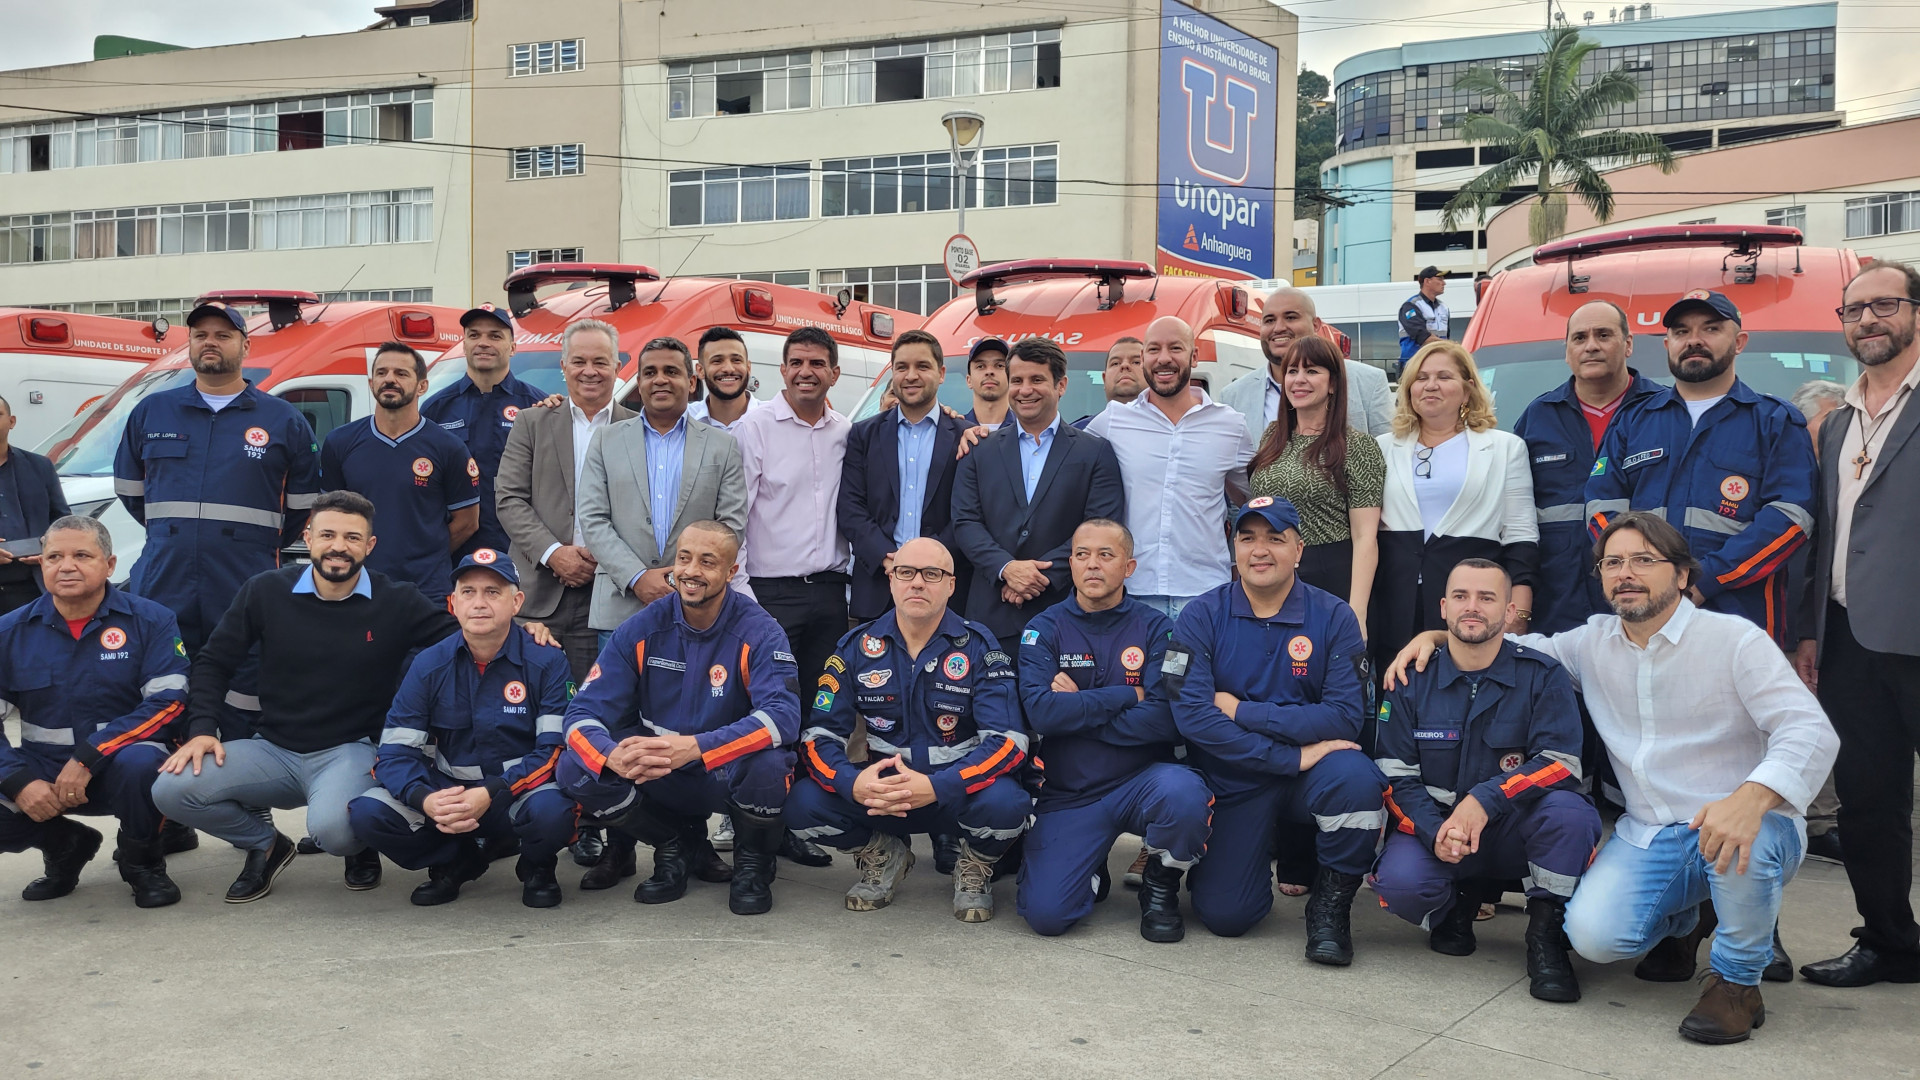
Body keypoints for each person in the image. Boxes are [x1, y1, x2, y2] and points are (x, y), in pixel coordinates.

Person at [1390, 512, 1836, 1044]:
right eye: (1614, 562)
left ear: (1683, 576)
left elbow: (1809, 728)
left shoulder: (1734, 640)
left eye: (1644, 560)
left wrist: (1753, 797)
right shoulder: (1590, 643)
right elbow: (1496, 647)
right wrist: (1435, 634)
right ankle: (1692, 916)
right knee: (1595, 939)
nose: (1626, 572)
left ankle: (1737, 984)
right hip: (1654, 833)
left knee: (1748, 841)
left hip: (1741, 824)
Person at [151, 491, 468, 903]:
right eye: (328, 534)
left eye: (353, 538)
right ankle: (266, 844)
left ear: (370, 546)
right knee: (170, 790)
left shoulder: (397, 600)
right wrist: (202, 729)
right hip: (274, 750)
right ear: (309, 537)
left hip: (351, 750)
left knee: (333, 831)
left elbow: (463, 641)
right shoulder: (265, 591)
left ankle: (358, 844)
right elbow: (214, 661)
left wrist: (527, 631)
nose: (339, 546)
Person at [1165, 496, 1386, 962]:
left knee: (1357, 779)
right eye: (1248, 538)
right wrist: (1290, 754)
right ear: (1234, 548)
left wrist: (1243, 712)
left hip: (1314, 774)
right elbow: (1194, 717)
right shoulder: (1200, 616)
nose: (1259, 550)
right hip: (1236, 777)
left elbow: (1346, 716)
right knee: (1227, 918)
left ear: (1299, 549)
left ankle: (1330, 906)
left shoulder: (1335, 617)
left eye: (1275, 539)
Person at [1371, 558, 1599, 1002]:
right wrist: (1435, 831)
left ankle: (1546, 934)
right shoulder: (1409, 678)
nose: (1471, 607)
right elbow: (1394, 776)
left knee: (1569, 814)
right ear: (1443, 607)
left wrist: (1486, 798)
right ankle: (1454, 905)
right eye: (1460, 596)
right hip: (1444, 832)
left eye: (1486, 597)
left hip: (1515, 830)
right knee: (1400, 883)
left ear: (1510, 610)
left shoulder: (1542, 674)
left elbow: (1560, 762)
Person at [557, 520, 801, 915]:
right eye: (684, 558)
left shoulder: (761, 630)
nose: (691, 571)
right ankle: (675, 843)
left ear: (730, 572)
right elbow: (581, 712)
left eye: (708, 562)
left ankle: (753, 862)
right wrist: (611, 755)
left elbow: (783, 717)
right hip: (660, 771)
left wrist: (696, 747)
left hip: (721, 771)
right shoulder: (641, 626)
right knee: (576, 767)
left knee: (770, 764)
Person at [785, 537, 1030, 921]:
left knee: (1009, 804)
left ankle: (974, 866)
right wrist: (854, 783)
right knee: (801, 803)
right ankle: (884, 853)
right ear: (892, 580)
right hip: (884, 797)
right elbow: (819, 737)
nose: (917, 583)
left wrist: (939, 786)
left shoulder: (978, 646)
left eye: (932, 574)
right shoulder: (855, 647)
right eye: (906, 572)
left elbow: (1008, 743)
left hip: (955, 794)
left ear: (951, 584)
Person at [1793, 260, 1920, 987]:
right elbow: (1827, 532)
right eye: (1854, 311)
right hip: (1848, 637)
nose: (1868, 321)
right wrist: (1812, 630)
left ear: (1915, 313)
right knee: (1870, 804)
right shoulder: (1839, 421)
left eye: (1884, 306)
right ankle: (1891, 942)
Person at [113, 302, 320, 731]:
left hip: (246, 575)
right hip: (165, 574)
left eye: (223, 335)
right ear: (189, 344)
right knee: (163, 680)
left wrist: (257, 545)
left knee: (244, 683)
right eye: (201, 335)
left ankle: (242, 786)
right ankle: (162, 787)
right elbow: (132, 492)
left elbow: (302, 505)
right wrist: (173, 534)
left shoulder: (283, 419)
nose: (210, 342)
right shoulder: (152, 412)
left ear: (245, 346)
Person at [1585, 290, 1817, 647]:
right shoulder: (1634, 420)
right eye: (1681, 332)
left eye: (1710, 329)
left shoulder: (1775, 421)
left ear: (1739, 342)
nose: (1693, 340)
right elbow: (1601, 506)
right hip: (1645, 618)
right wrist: (1644, 573)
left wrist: (1702, 581)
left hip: (1740, 620)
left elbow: (1791, 518)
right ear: (1667, 344)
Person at [1016, 518, 1210, 942]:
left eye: (1106, 555)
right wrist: (1128, 694)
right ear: (1070, 563)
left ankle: (1160, 887)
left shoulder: (1161, 630)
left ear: (1130, 567)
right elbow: (1042, 715)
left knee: (1185, 794)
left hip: (1143, 782)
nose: (1093, 565)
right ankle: (1091, 868)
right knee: (1047, 917)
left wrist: (1077, 710)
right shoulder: (1042, 629)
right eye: (1082, 555)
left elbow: (1168, 719)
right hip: (1071, 793)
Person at [347, 549, 576, 908]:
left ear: (516, 602)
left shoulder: (546, 660)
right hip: (448, 797)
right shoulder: (428, 665)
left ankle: (537, 864)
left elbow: (555, 752)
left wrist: (491, 792)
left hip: (514, 794)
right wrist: (425, 799)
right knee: (367, 813)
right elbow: (393, 753)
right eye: (468, 592)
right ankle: (454, 860)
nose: (479, 603)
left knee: (555, 809)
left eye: (493, 592)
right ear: (452, 604)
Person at [0, 515, 188, 907]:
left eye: (82, 555)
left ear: (110, 564)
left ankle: (142, 864)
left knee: (146, 764)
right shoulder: (9, 632)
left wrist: (91, 755)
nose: (66, 566)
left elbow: (168, 701)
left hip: (120, 766)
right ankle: (64, 844)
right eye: (54, 557)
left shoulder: (150, 620)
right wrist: (17, 780)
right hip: (44, 770)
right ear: (42, 563)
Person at [729, 325, 853, 868]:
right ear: (781, 371)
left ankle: (795, 822)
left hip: (829, 594)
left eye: (817, 363)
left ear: (834, 373)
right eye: (796, 362)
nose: (807, 371)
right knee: (766, 711)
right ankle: (754, 828)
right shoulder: (752, 429)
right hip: (769, 595)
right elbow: (734, 516)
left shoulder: (846, 431)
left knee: (814, 712)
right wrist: (742, 595)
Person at [1373, 340, 1537, 678]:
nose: (1430, 385)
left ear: (1467, 390)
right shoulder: (1382, 448)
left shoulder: (1506, 448)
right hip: (1393, 606)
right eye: (1421, 377)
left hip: (1471, 604)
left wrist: (1519, 617)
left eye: (1444, 376)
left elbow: (1521, 537)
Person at [952, 337, 1126, 644]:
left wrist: (1035, 578)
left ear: (1061, 385)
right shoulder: (979, 450)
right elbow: (965, 522)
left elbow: (1100, 529)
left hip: (1066, 613)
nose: (1025, 389)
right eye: (1017, 380)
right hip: (992, 614)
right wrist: (1005, 569)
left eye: (1037, 379)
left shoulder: (1096, 452)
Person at [576, 335, 746, 640]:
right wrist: (637, 577)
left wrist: (679, 578)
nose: (660, 380)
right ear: (639, 382)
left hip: (697, 607)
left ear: (692, 381)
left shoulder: (723, 446)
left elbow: (731, 526)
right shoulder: (605, 441)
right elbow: (592, 518)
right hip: (620, 606)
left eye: (671, 371)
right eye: (650, 373)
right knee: (618, 690)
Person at [1086, 316, 1253, 622]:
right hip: (1132, 591)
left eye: (1175, 348)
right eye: (1153, 350)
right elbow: (1058, 453)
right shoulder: (1112, 422)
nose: (1164, 358)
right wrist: (979, 433)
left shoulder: (1231, 426)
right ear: (1144, 359)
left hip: (1206, 595)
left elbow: (1253, 499)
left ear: (1194, 356)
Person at [496, 318, 635, 684]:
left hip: (610, 594)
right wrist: (554, 553)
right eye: (579, 361)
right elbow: (509, 499)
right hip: (538, 594)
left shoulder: (638, 429)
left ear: (618, 367)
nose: (589, 371)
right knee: (528, 701)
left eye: (601, 362)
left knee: (597, 705)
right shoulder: (532, 422)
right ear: (563, 366)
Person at [1512, 300, 1663, 635]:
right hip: (1557, 606)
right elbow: (1515, 517)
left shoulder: (1662, 412)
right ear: (1566, 351)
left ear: (1628, 344)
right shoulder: (1538, 418)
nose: (1591, 345)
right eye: (1579, 338)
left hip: (1646, 602)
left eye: (1604, 335)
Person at [318, 342, 479, 606]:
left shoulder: (448, 447)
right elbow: (332, 518)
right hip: (358, 586)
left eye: (401, 374)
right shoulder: (340, 442)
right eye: (382, 373)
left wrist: (426, 554)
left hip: (427, 591)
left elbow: (467, 523)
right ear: (371, 383)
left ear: (422, 386)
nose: (389, 379)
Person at [1246, 333, 1385, 626]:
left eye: (1312, 371)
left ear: (1333, 383)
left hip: (1330, 575)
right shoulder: (1272, 436)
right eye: (1292, 371)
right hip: (1273, 572)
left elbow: (1365, 538)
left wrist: (1356, 612)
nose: (1299, 380)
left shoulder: (1358, 447)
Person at [839, 329, 972, 622]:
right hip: (878, 587)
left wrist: (928, 565)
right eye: (902, 367)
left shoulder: (966, 437)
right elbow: (850, 508)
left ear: (941, 373)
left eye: (922, 366)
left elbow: (968, 514)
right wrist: (887, 558)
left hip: (944, 590)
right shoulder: (862, 435)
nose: (911, 375)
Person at [422, 303, 543, 558]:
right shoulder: (436, 408)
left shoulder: (536, 406)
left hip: (523, 550)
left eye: (495, 336)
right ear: (463, 344)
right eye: (474, 335)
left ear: (512, 348)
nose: (483, 343)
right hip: (457, 552)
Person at [1783, 378, 1846, 864]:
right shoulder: (1788, 473)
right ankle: (1809, 821)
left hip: (1834, 619)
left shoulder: (1849, 475)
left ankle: (1823, 819)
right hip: (1782, 617)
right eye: (1829, 423)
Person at [1220, 285, 1392, 440]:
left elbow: (1387, 458)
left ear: (1316, 325)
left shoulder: (1369, 382)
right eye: (1269, 320)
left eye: (1291, 317)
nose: (1278, 328)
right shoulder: (1233, 397)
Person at [0, 395, 70, 615]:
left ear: (12, 421)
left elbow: (63, 520)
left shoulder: (39, 466)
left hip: (33, 587)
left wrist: (49, 545)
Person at [687, 326, 769, 432]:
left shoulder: (771, 419)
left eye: (736, 360)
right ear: (700, 371)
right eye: (717, 361)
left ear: (748, 368)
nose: (728, 369)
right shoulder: (684, 420)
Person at [1072, 337, 1146, 428]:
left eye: (1136, 362)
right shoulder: (1077, 434)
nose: (1125, 365)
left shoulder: (1166, 429)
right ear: (1104, 378)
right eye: (1115, 363)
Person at [1396, 266, 1451, 373]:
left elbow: (1446, 335)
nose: (1444, 283)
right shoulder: (1411, 306)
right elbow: (1422, 337)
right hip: (1415, 363)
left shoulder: (1443, 307)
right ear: (1427, 281)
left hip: (1437, 362)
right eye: (1440, 279)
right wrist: (1452, 346)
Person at [961, 337, 1011, 429]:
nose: (989, 372)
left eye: (999, 365)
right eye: (980, 366)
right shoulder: (953, 430)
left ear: (1012, 378)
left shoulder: (1026, 429)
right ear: (969, 380)